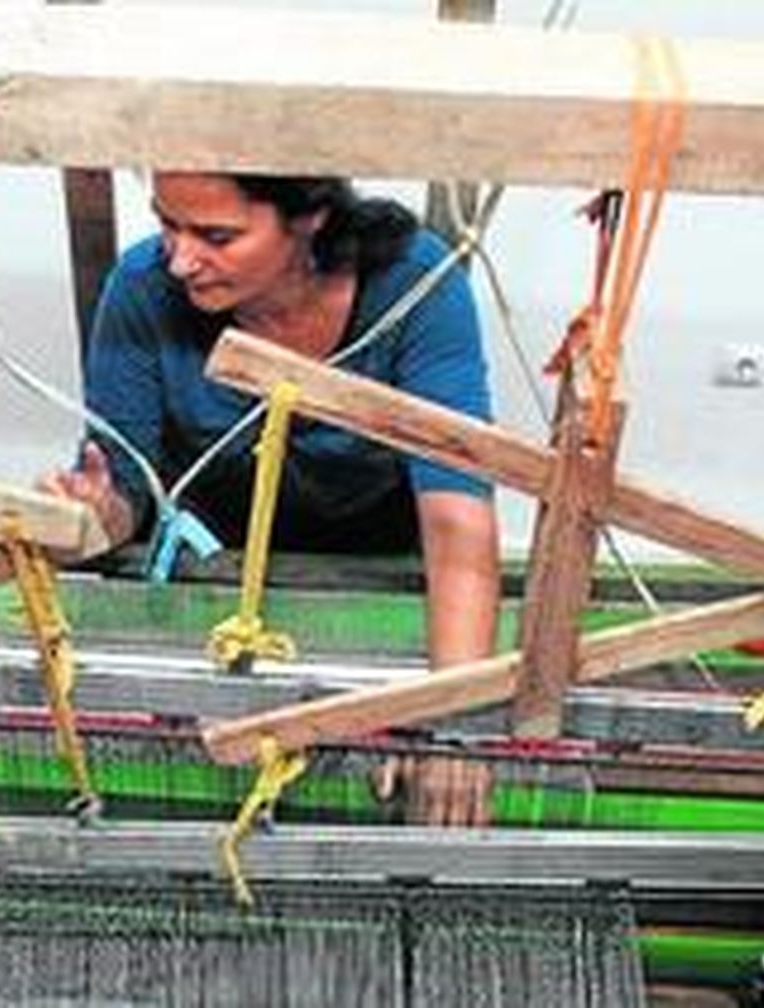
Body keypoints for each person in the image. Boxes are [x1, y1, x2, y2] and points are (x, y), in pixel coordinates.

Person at [44, 173, 500, 823]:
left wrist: (450, 722)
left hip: (379, 591)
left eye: (217, 236)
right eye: (168, 224)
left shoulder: (415, 287)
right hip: (215, 591)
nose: (180, 260)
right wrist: (90, 514)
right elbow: (125, 492)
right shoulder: (143, 288)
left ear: (309, 216)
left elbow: (456, 518)